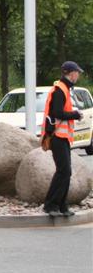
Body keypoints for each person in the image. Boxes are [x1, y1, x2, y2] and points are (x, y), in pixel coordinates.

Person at [42, 60, 84, 217]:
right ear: (71, 73)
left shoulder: (65, 89)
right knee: (64, 171)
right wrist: (75, 114)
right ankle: (51, 205)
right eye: (77, 72)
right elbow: (57, 113)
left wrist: (73, 114)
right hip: (57, 136)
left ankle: (61, 205)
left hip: (62, 136)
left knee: (66, 171)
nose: (78, 75)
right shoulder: (60, 89)